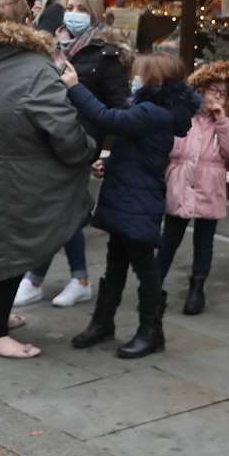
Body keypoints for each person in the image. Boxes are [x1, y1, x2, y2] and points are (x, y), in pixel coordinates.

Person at [0, 0, 99, 358]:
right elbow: (63, 130)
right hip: (16, 176)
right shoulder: (33, 68)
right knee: (10, 250)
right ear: (28, 23)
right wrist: (86, 149)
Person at [61, 51, 198, 360]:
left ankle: (151, 331)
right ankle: (103, 322)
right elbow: (139, 151)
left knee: (144, 266)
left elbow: (108, 119)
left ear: (155, 79)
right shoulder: (152, 109)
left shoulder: (153, 111)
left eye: (139, 73)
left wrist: (74, 86)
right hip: (127, 194)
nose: (133, 78)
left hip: (137, 200)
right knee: (116, 260)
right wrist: (110, 164)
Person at [17, 0, 133, 309]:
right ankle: (73, 278)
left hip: (82, 142)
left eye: (81, 9)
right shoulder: (52, 47)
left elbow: (120, 109)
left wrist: (108, 153)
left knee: (56, 208)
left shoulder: (106, 55)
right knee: (62, 209)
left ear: (94, 14)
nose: (73, 13)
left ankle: (40, 278)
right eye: (70, 6)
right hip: (49, 138)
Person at [156, 61, 229, 316]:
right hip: (180, 184)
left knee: (204, 241)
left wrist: (221, 118)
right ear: (201, 89)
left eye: (224, 93)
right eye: (214, 90)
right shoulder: (185, 115)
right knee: (169, 237)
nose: (218, 96)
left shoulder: (223, 122)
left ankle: (197, 288)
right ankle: (154, 284)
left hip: (209, 187)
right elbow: (169, 146)